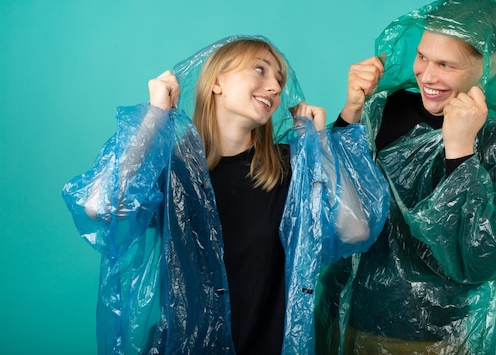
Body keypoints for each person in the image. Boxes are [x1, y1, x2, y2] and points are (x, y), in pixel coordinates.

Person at [62, 35, 389, 355]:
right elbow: (99, 207)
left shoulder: (287, 168)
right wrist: (156, 115)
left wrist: (318, 143)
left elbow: (355, 229)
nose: (275, 87)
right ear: (217, 81)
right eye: (260, 70)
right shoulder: (175, 171)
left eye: (279, 79)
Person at [315, 0, 496, 354]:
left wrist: (459, 148)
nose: (426, 75)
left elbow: (477, 259)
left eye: (446, 64)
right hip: (338, 316)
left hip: (427, 339)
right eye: (423, 56)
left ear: (489, 62)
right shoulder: (384, 108)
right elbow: (328, 199)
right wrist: (351, 113)